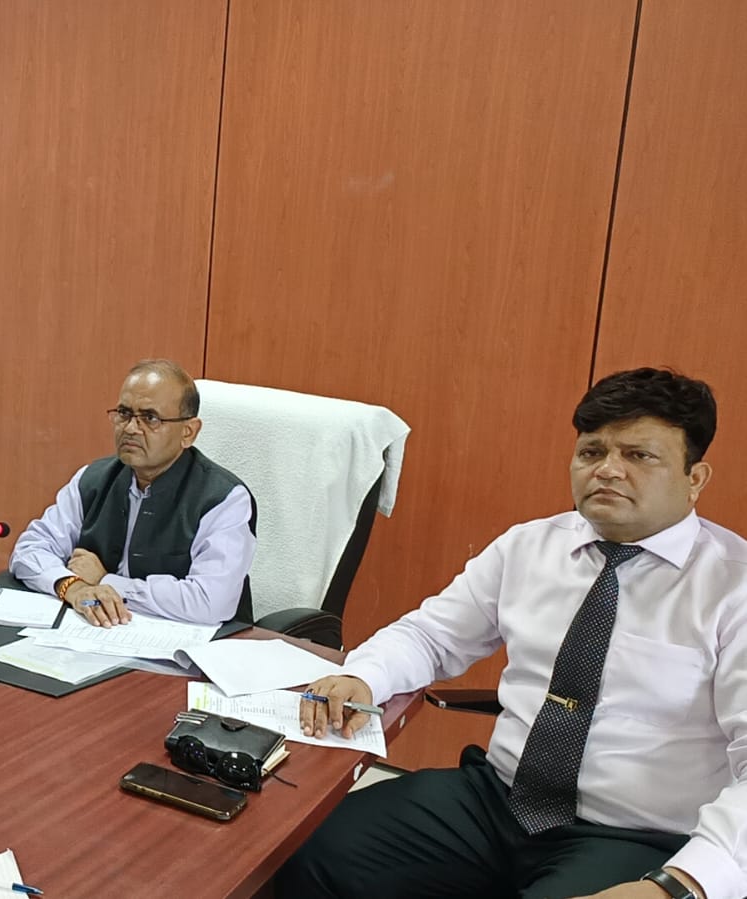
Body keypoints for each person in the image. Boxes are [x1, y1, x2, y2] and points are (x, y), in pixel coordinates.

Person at [278, 368, 744, 899]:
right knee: (309, 848)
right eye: (591, 452)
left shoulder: (733, 588)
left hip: (635, 836)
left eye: (639, 456)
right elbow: (432, 635)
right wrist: (363, 676)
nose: (608, 470)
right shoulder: (529, 547)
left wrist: (682, 884)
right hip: (497, 800)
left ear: (695, 478)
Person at [9, 359, 257, 628]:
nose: (129, 428)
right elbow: (29, 549)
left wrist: (106, 581)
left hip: (200, 645)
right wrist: (73, 586)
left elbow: (211, 602)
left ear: (188, 432)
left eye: (150, 418)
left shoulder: (224, 499)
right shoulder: (93, 479)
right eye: (124, 414)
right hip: (104, 633)